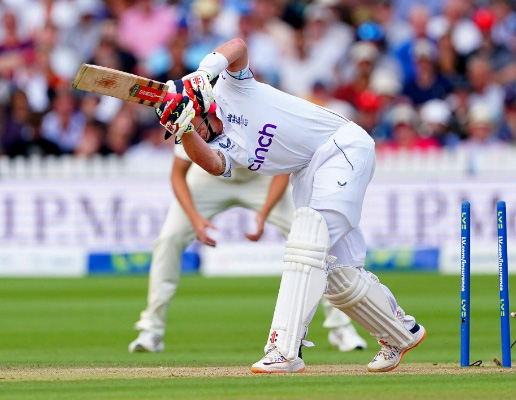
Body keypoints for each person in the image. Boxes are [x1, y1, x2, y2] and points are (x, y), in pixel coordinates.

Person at [156, 38, 425, 373]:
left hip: (340, 147)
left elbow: (239, 45)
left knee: (306, 245)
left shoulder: (231, 87)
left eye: (191, 122)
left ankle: (284, 348)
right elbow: (211, 164)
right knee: (338, 275)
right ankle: (401, 332)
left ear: (203, 104)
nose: (194, 132)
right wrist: (182, 131)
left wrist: (203, 72)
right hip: (306, 172)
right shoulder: (221, 144)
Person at [128, 114, 367, 354]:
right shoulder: (190, 122)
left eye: (200, 126)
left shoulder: (255, 115)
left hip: (260, 178)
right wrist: (195, 220)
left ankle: (341, 327)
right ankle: (151, 330)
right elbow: (178, 174)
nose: (196, 132)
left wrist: (263, 214)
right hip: (208, 178)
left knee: (314, 240)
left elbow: (282, 171)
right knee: (168, 239)